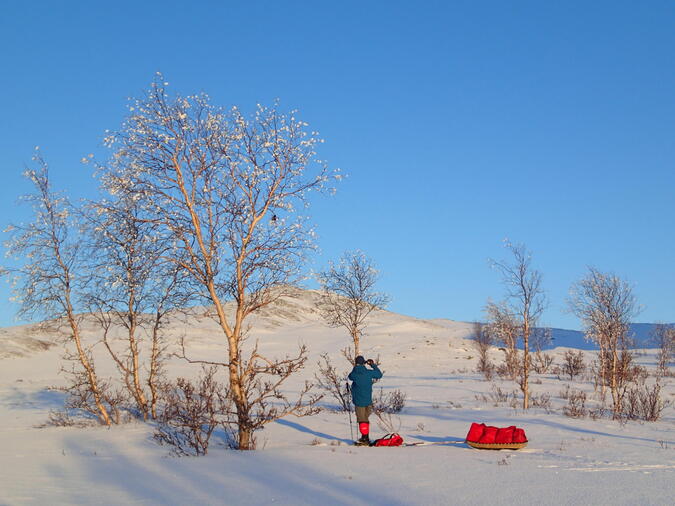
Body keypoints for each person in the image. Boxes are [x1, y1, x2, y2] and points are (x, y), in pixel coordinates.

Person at [348, 355, 383, 445]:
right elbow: (379, 374)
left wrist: (355, 367)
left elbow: (350, 376)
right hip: (368, 401)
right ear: (364, 363)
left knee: (362, 420)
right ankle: (365, 437)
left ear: (356, 364)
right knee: (365, 419)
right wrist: (372, 365)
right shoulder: (369, 373)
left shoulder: (354, 374)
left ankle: (364, 439)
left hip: (359, 401)